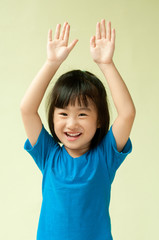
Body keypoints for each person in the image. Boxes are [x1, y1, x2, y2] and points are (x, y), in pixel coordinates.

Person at [20, 20, 136, 240]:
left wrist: (107, 64)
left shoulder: (105, 156)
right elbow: (27, 109)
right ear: (53, 118)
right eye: (63, 114)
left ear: (100, 120)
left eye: (82, 114)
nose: (71, 123)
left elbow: (127, 113)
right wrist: (52, 63)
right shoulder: (48, 154)